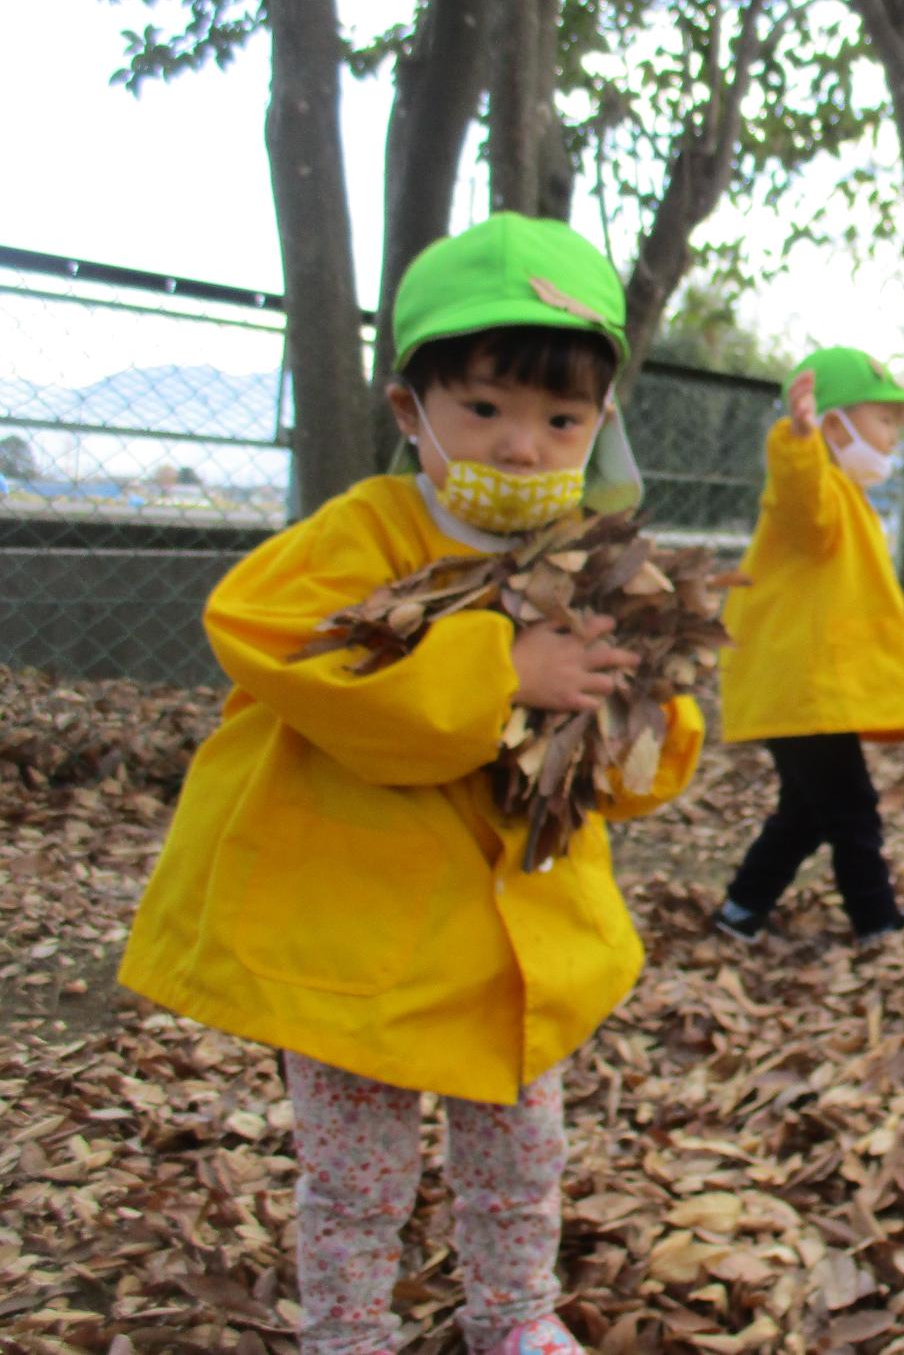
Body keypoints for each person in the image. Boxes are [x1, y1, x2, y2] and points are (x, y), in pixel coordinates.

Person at [119, 214, 705, 1355]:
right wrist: (501, 669)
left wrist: (637, 714)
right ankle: (346, 1332)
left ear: (599, 424)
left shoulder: (590, 556)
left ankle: (514, 1317)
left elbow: (624, 763)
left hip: (512, 947)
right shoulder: (367, 531)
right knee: (354, 1172)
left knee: (521, 1158)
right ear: (411, 410)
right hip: (358, 940)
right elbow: (279, 641)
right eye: (483, 408)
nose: (524, 446)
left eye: (561, 418)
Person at [713, 344, 904, 945]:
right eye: (884, 420)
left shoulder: (853, 498)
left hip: (813, 690)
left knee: (808, 811)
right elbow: (800, 500)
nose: (895, 434)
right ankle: (876, 922)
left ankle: (740, 910)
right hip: (803, 687)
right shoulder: (818, 492)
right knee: (851, 807)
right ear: (834, 424)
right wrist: (798, 441)